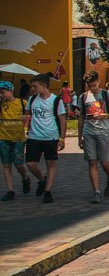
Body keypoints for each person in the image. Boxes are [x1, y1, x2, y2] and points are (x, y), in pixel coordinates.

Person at [77, 71, 109, 204]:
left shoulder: (106, 95)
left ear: (98, 82)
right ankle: (96, 191)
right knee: (92, 161)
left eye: (94, 85)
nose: (92, 88)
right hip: (88, 132)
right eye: (90, 86)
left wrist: (103, 116)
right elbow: (81, 118)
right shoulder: (83, 97)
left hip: (103, 132)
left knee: (104, 161)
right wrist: (79, 137)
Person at [24, 74, 66, 203]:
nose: (33, 88)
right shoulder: (32, 100)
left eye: (35, 86)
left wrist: (62, 138)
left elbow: (62, 120)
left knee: (50, 163)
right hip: (34, 136)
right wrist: (25, 129)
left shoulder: (56, 101)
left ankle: (48, 191)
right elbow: (27, 116)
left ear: (44, 86)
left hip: (50, 137)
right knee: (30, 163)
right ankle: (42, 179)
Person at [0, 81, 31, 201]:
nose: (1, 95)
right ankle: (10, 190)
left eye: (3, 92)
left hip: (18, 138)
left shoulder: (22, 103)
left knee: (19, 163)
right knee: (6, 164)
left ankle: (25, 177)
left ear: (11, 91)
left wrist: (25, 120)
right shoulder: (1, 104)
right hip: (3, 137)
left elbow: (29, 117)